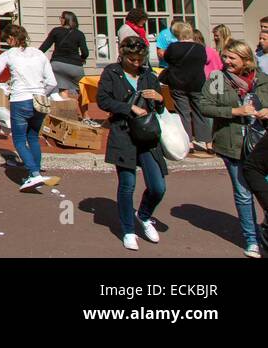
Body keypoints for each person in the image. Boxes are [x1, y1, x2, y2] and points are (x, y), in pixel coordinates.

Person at [197, 40, 268, 258]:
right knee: (243, 194)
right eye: (225, 57)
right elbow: (204, 105)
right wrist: (234, 111)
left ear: (246, 60)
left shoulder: (261, 79)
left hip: (261, 144)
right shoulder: (217, 78)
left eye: (232, 58)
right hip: (231, 143)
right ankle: (252, 240)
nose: (226, 61)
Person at [97, 35, 167, 251]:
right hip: (124, 134)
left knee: (158, 187)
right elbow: (103, 100)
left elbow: (161, 108)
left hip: (147, 135)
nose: (136, 64)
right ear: (123, 55)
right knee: (127, 185)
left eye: (139, 60)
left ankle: (144, 215)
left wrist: (160, 98)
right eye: (132, 60)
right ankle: (128, 230)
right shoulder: (112, 72)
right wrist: (129, 108)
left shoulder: (148, 73)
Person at [0, 24, 61, 192]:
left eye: (6, 39)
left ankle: (34, 173)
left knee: (18, 139)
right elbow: (52, 82)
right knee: (33, 137)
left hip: (20, 100)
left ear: (11, 38)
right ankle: (35, 171)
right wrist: (41, 93)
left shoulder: (8, 54)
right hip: (39, 100)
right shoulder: (39, 54)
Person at [160, 21, 214, 155]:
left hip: (178, 83)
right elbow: (204, 61)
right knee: (200, 112)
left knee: (183, 113)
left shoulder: (173, 47)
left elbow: (167, 59)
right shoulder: (200, 48)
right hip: (197, 83)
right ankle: (208, 143)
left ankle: (188, 142)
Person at [39, 11, 90, 98]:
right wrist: (82, 58)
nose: (60, 20)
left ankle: (66, 109)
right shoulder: (79, 34)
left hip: (57, 64)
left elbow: (44, 48)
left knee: (63, 89)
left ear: (65, 20)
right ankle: (85, 112)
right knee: (82, 91)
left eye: (61, 18)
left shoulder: (56, 31)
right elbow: (85, 52)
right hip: (75, 65)